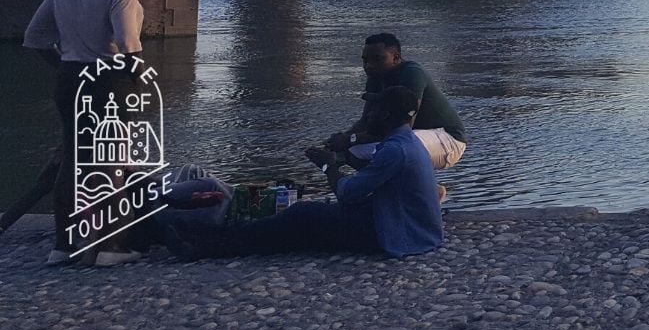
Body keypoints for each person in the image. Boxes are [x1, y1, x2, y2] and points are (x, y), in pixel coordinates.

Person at [172, 87, 443, 260]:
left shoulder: (396, 150)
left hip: (398, 236)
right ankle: (213, 239)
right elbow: (376, 177)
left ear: (384, 116)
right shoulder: (406, 143)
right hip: (410, 227)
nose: (366, 114)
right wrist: (345, 157)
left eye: (373, 110)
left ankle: (207, 245)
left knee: (303, 215)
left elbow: (348, 194)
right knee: (304, 224)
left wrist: (328, 166)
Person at [22, 0, 145, 267]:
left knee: (73, 162)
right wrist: (137, 77)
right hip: (108, 79)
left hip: (70, 78)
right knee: (113, 162)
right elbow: (127, 41)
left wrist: (64, 65)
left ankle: (64, 246)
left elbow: (35, 37)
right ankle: (111, 248)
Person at [309, 33, 467, 174]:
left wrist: (350, 140)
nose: (369, 66)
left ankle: (412, 191)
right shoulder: (375, 79)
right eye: (365, 61)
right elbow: (366, 121)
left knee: (389, 151)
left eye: (378, 59)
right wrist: (342, 139)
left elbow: (404, 129)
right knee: (356, 151)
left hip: (448, 139)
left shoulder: (412, 74)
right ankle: (421, 190)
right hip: (413, 137)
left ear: (396, 58)